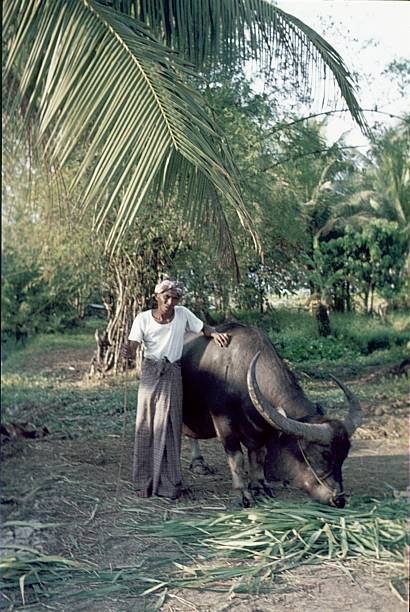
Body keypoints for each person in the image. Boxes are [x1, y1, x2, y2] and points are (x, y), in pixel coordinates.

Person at [121, 279, 230, 500]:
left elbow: (202, 328)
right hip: (151, 373)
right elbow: (133, 343)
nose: (170, 302)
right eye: (166, 297)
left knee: (171, 427)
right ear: (157, 297)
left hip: (172, 372)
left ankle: (169, 483)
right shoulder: (142, 319)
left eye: (175, 298)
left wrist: (215, 333)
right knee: (146, 426)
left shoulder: (182, 314)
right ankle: (145, 481)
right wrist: (129, 350)